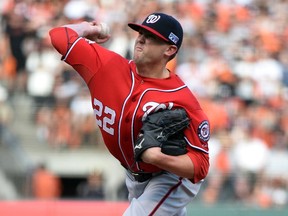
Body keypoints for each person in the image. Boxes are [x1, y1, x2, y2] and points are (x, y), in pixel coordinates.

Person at [49, 12, 210, 216]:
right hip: (133, 176)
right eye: (141, 32)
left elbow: (201, 166)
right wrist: (89, 29)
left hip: (171, 178)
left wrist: (156, 157)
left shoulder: (183, 100)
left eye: (152, 37)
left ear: (169, 49)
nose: (141, 38)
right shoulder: (107, 66)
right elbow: (58, 36)